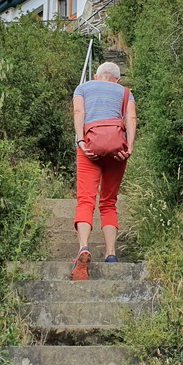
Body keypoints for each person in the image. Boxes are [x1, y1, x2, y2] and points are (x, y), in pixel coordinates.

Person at [70, 61, 136, 281]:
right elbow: (131, 118)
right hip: (117, 150)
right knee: (108, 202)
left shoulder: (83, 88)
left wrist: (80, 140)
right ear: (117, 79)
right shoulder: (125, 92)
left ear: (96, 76)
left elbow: (79, 111)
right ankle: (111, 254)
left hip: (89, 147)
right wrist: (129, 147)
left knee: (85, 199)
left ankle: (83, 247)